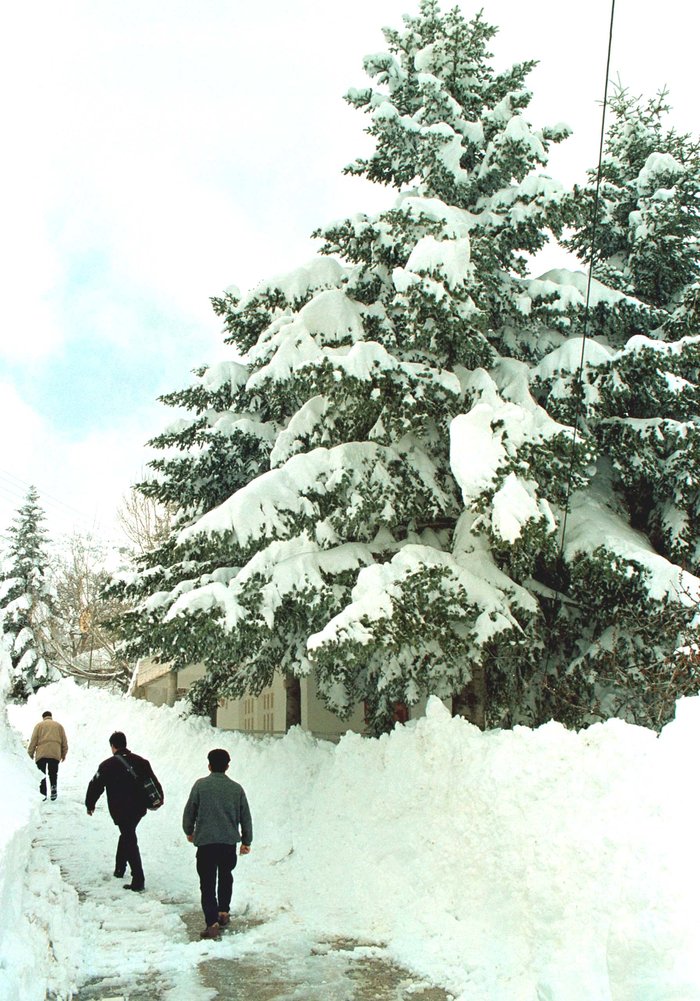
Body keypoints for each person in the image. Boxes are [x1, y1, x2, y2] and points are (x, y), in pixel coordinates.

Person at [182, 748, 253, 939]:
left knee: (207, 882)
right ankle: (223, 912)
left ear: (209, 765)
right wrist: (246, 840)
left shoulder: (200, 786)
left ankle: (211, 922)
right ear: (227, 766)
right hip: (228, 843)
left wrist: (189, 831)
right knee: (225, 876)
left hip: (206, 843)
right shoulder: (236, 789)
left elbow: (190, 811)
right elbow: (245, 816)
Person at [85, 731, 164, 893]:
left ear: (113, 746)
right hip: (138, 809)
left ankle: (138, 878)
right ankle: (119, 868)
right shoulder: (141, 762)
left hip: (120, 809)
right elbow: (154, 782)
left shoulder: (107, 765)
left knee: (128, 837)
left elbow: (95, 785)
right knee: (127, 833)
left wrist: (90, 803)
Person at [27, 710, 68, 801]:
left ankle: (43, 794)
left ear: (43, 717)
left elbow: (33, 741)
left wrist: (30, 754)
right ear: (51, 716)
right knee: (53, 773)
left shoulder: (39, 725)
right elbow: (64, 741)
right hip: (55, 753)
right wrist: (63, 754)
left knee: (42, 774)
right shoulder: (59, 726)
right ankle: (53, 788)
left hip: (42, 754)